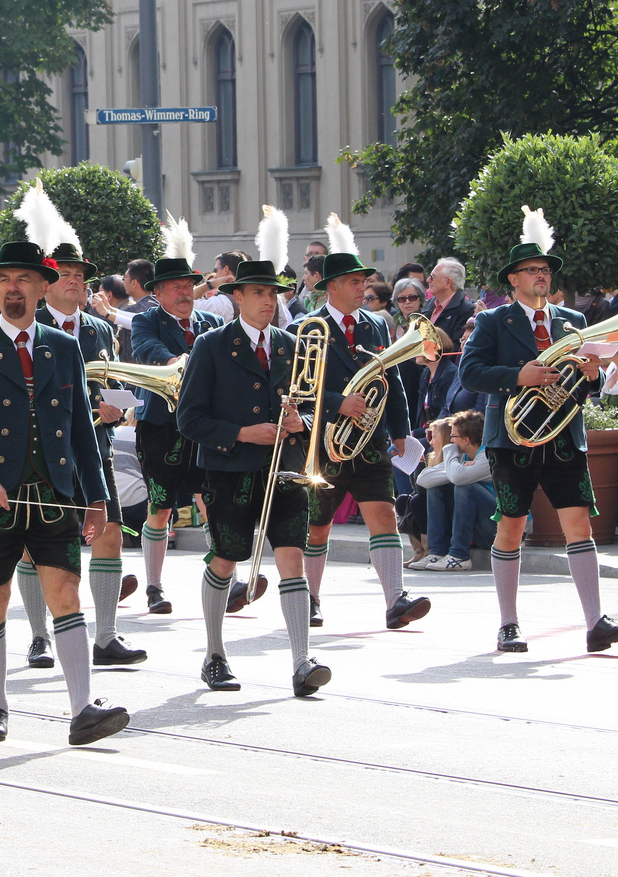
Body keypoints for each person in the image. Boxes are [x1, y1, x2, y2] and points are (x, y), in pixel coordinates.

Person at [0, 238, 127, 745]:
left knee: (65, 592)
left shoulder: (62, 345)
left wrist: (96, 498)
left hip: (55, 492)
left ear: (42, 287)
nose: (12, 289)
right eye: (3, 280)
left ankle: (82, 709)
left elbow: (80, 429)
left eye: (23, 279)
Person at [459, 206, 618, 655]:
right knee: (513, 525)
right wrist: (521, 376)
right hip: (512, 437)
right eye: (531, 270)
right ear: (512, 280)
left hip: (562, 436)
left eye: (545, 270)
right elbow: (471, 373)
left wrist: (592, 375)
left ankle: (596, 621)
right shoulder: (494, 321)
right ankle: (508, 623)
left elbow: (585, 388)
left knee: (579, 523)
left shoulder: (572, 322)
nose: (541, 276)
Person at [175, 216, 329, 696]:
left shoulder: (291, 345)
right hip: (229, 470)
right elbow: (189, 419)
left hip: (284, 469)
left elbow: (310, 405)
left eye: (275, 293)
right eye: (260, 293)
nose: (270, 300)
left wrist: (299, 424)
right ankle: (215, 654)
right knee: (225, 558)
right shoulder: (212, 345)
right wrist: (243, 432)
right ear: (237, 297)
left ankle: (302, 659)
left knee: (292, 556)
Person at [16, 185, 143, 667]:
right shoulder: (30, 324)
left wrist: (115, 408)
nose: (75, 281)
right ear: (45, 283)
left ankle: (107, 635)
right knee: (35, 544)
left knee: (109, 530)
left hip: (96, 446)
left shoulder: (99, 329)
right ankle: (38, 635)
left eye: (79, 275)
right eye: (64, 274)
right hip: (42, 451)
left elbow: (109, 382)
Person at [305, 214, 430, 631]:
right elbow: (295, 389)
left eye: (364, 281)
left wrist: (400, 432)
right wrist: (338, 403)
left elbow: (390, 377)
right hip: (325, 442)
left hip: (371, 439)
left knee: (383, 514)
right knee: (318, 526)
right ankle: (311, 598)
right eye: (355, 282)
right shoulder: (307, 327)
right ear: (333, 287)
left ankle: (395, 599)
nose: (364, 288)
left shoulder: (377, 322)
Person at [129, 221, 223, 613]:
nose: (186, 293)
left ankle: (223, 578)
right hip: (160, 425)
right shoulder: (146, 320)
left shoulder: (212, 324)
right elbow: (145, 348)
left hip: (203, 427)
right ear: (159, 293)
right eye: (177, 287)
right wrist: (174, 361)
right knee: (161, 505)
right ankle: (154, 586)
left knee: (209, 500)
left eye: (190, 286)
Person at [413, 409, 495, 571]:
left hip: (497, 531)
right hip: (478, 530)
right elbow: (423, 480)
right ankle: (437, 551)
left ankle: (459, 555)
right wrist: (459, 468)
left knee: (465, 487)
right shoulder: (463, 457)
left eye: (453, 437)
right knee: (436, 488)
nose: (450, 441)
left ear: (465, 440)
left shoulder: (488, 456)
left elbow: (459, 479)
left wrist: (451, 455)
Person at [425, 257, 474, 339]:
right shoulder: (430, 304)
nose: (428, 280)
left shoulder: (466, 310)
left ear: (448, 282)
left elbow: (457, 346)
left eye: (433, 277)